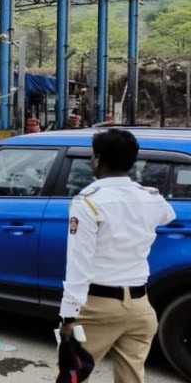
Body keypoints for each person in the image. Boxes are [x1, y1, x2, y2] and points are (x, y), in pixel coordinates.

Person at [59, 129, 176, 382]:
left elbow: (79, 265)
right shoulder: (151, 198)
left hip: (99, 307)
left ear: (98, 159)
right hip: (140, 307)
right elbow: (169, 215)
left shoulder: (88, 202)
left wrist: (68, 316)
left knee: (71, 377)